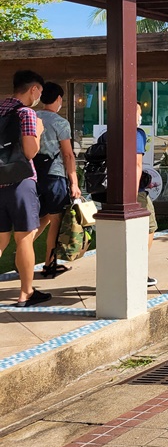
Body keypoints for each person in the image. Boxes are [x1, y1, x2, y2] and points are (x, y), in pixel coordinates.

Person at [0, 70, 49, 307]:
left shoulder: (0, 108)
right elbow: (30, 152)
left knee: (0, 240)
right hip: (20, 183)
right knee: (25, 238)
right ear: (34, 89)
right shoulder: (27, 113)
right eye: (40, 91)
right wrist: (38, 132)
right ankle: (25, 293)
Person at [35, 83, 81, 279]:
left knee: (41, 218)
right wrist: (74, 183)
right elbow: (68, 155)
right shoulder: (60, 123)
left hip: (34, 176)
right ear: (59, 99)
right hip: (55, 177)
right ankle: (49, 264)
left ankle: (23, 254)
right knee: (56, 221)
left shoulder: (32, 117)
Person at [135, 103, 158, 288]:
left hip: (110, 189)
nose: (140, 117)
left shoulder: (109, 134)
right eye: (139, 113)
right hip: (136, 193)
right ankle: (138, 270)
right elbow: (137, 165)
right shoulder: (137, 134)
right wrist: (133, 192)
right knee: (149, 227)